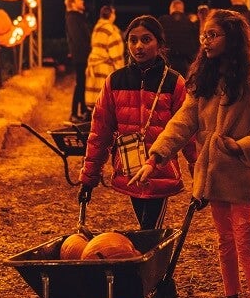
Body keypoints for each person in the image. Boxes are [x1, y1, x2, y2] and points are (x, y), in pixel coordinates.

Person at [130, 9, 250, 298]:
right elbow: (182, 121)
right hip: (213, 178)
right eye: (205, 35)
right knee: (224, 243)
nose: (206, 40)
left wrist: (241, 147)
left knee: (246, 242)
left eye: (213, 35)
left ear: (232, 39)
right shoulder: (204, 78)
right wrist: (156, 157)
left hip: (241, 176)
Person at [78, 15, 197, 231]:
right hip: (130, 169)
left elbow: (188, 130)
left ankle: (150, 261)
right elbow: (100, 131)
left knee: (149, 230)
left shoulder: (173, 82)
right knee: (146, 229)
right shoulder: (115, 81)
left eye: (146, 39)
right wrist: (89, 176)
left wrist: (198, 170)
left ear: (159, 44)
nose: (138, 46)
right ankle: (150, 262)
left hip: (159, 170)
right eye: (133, 40)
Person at [84, 5, 124, 109]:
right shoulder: (110, 29)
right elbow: (115, 50)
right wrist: (120, 67)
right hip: (104, 66)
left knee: (95, 98)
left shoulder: (97, 27)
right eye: (114, 13)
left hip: (94, 63)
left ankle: (92, 120)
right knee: (104, 99)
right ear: (111, 15)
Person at [64, 0, 90, 122]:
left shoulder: (78, 17)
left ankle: (83, 110)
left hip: (82, 55)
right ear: (73, 3)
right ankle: (74, 113)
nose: (83, 1)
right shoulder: (72, 18)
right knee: (80, 83)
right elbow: (78, 39)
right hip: (80, 56)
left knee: (82, 83)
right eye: (80, 0)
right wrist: (87, 52)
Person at [158, 0, 200, 74]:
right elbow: (196, 43)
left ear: (171, 8)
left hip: (166, 61)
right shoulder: (190, 22)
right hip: (185, 62)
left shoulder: (162, 20)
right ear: (182, 9)